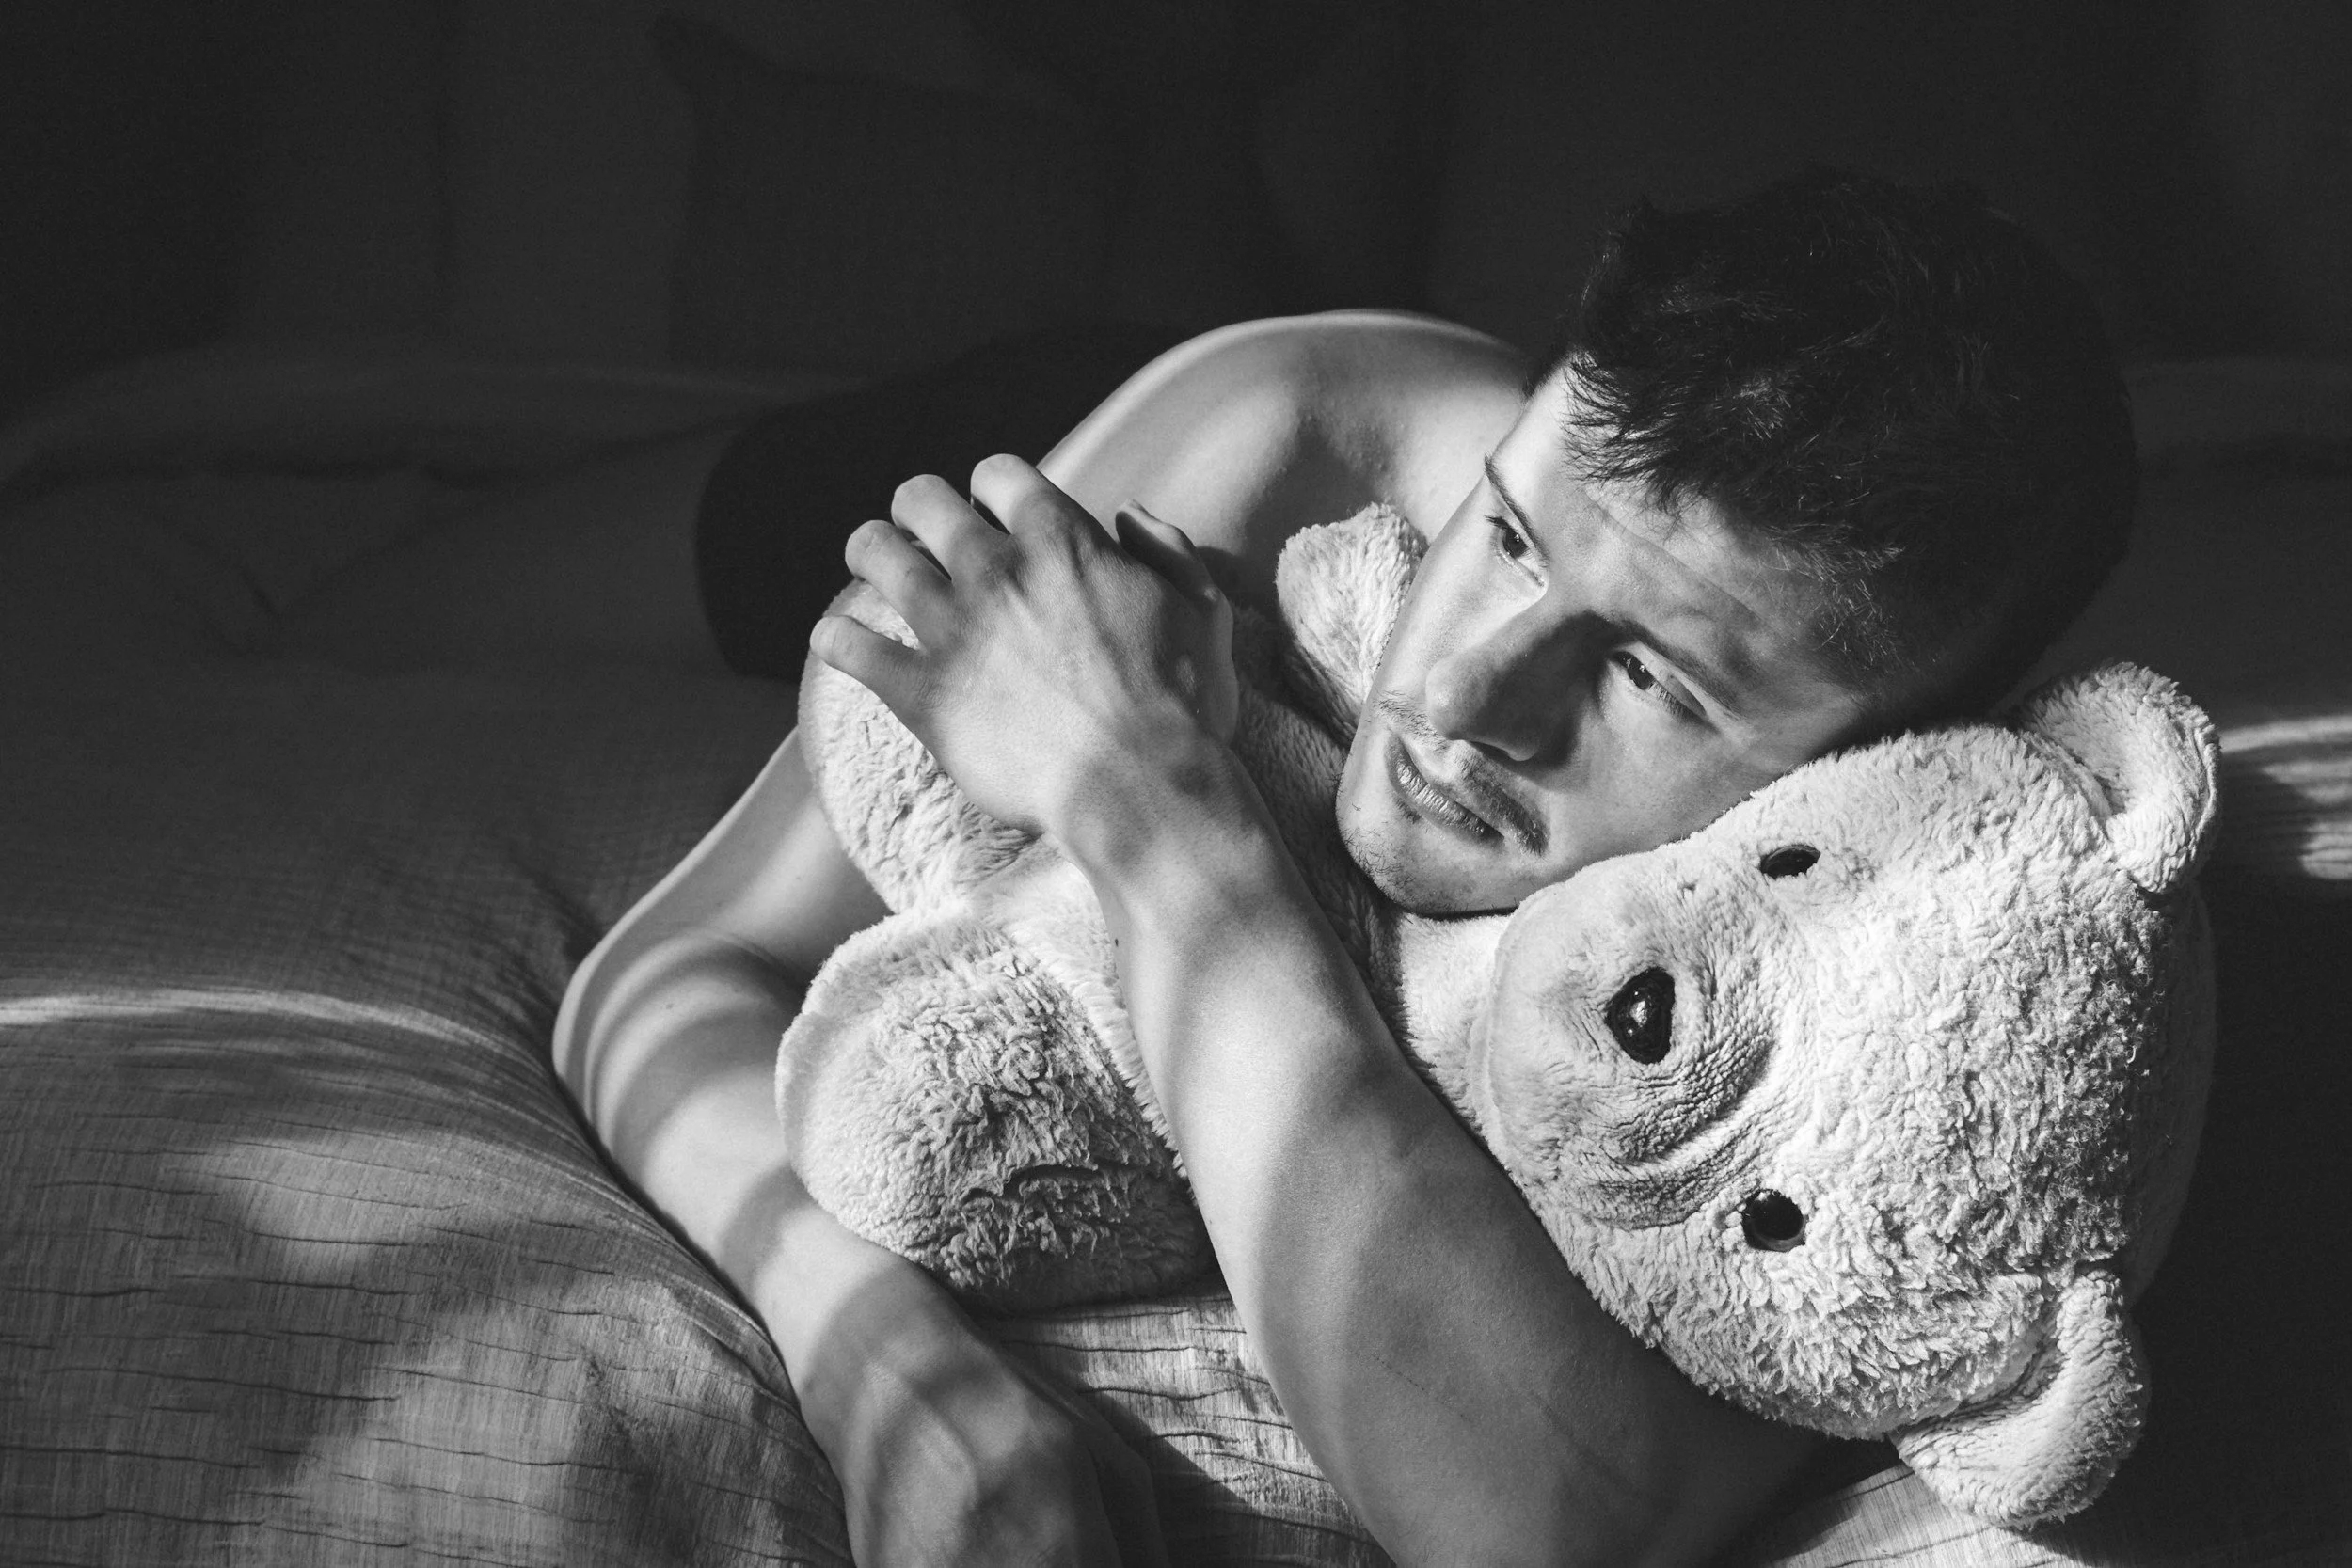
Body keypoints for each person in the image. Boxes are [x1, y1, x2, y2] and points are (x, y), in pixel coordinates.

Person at [305, 168, 2136, 1566]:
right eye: (1506, 533)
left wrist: (1147, 792)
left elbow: (1533, 1514)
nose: (1462, 693)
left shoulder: (1947, 922)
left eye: (1647, 674)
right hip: (1074, 488)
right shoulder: (1286, 440)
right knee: (353, 608)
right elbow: (663, 972)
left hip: (1150, 663)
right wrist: (890, 1361)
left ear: (1874, 761)